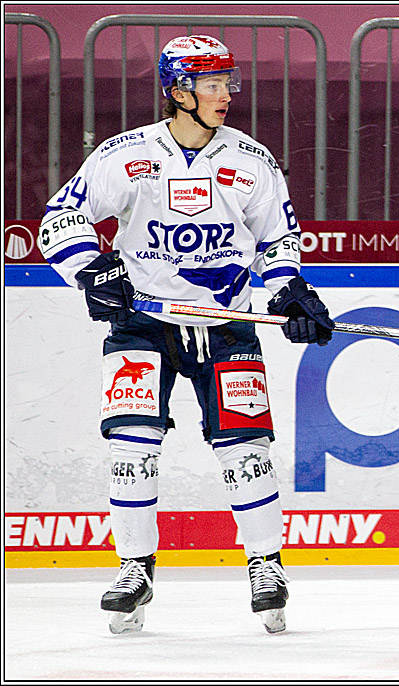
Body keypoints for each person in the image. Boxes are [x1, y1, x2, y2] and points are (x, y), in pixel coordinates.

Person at [38, 35, 335, 635]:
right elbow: (58, 219)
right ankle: (133, 567)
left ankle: (265, 566)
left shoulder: (253, 161)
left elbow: (277, 240)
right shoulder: (125, 155)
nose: (227, 94)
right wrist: (92, 272)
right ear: (178, 91)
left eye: (229, 82)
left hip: (226, 325)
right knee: (132, 450)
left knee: (245, 452)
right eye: (213, 84)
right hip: (142, 324)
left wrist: (290, 292)